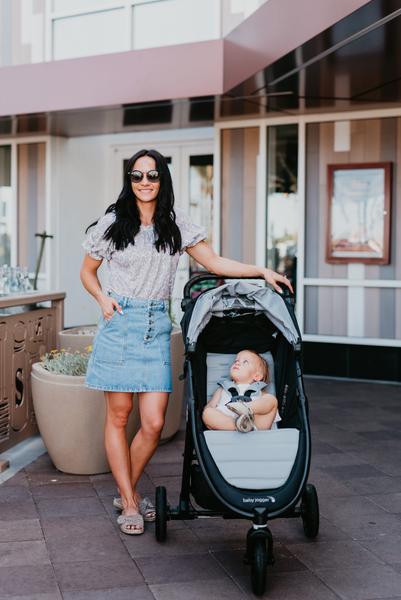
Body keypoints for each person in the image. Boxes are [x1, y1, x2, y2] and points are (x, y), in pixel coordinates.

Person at [80, 149, 293, 536]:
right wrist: (101, 299)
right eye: (137, 176)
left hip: (156, 325)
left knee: (154, 423)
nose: (145, 182)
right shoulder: (113, 223)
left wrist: (261, 271)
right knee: (119, 417)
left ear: (163, 179)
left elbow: (214, 263)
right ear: (129, 181)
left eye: (152, 175)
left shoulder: (175, 225)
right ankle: (130, 500)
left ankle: (126, 490)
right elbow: (88, 272)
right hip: (120, 323)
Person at [202, 350, 280, 433]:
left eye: (245, 362)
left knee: (272, 400)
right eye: (236, 361)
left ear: (257, 376)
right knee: (207, 413)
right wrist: (208, 414)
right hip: (229, 423)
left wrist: (249, 409)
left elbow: (268, 407)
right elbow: (210, 406)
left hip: (255, 424)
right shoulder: (222, 389)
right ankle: (241, 425)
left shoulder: (260, 392)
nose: (237, 363)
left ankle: (246, 408)